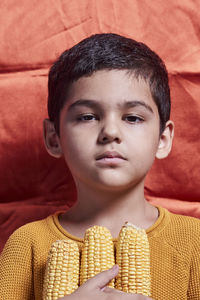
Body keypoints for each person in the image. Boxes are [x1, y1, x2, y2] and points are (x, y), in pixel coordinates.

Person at [0, 33, 199, 300]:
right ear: (53, 137)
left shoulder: (194, 242)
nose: (110, 132)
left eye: (132, 117)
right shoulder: (27, 244)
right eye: (87, 117)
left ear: (163, 139)